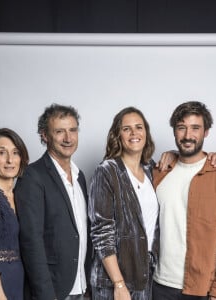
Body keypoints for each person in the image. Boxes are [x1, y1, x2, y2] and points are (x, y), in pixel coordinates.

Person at [152, 101, 216, 300]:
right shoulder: (159, 172)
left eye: (195, 128)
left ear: (206, 132)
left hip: (202, 290)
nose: (188, 135)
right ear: (174, 131)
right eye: (181, 128)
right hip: (159, 284)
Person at [14, 104, 91, 300]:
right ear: (45, 136)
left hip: (81, 287)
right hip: (54, 291)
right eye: (59, 131)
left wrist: (87, 285)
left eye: (73, 130)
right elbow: (31, 242)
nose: (68, 138)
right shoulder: (32, 177)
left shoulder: (79, 175)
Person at [88, 106, 159, 300]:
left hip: (143, 276)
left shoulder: (151, 169)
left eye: (139, 127)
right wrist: (118, 284)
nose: (134, 133)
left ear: (146, 132)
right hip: (113, 281)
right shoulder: (107, 171)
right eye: (126, 129)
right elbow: (102, 232)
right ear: (117, 135)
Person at [0, 128, 29, 300]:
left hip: (19, 281)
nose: (10, 160)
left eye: (15, 153)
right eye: (2, 153)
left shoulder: (20, 195)